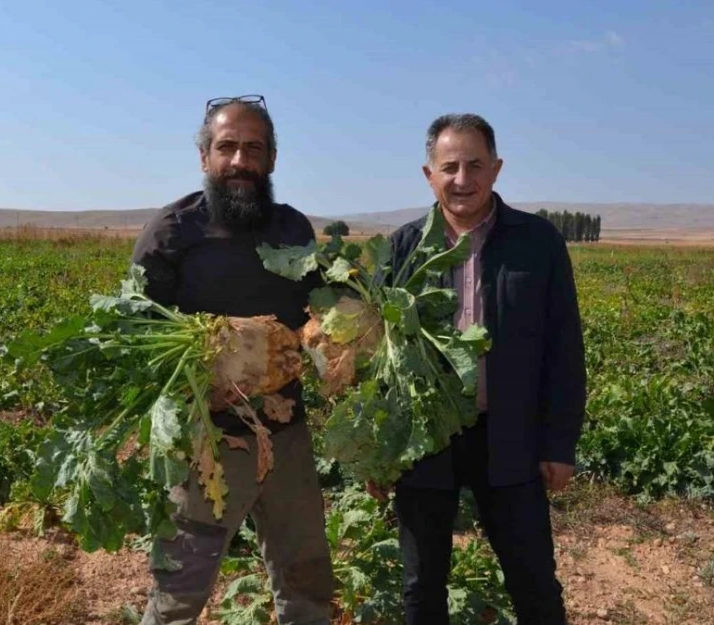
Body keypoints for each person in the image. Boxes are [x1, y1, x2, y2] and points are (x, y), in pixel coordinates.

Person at [131, 95, 334, 625]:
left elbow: (317, 317)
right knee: (180, 590)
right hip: (207, 444)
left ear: (271, 159)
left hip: (287, 436)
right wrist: (206, 370)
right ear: (205, 159)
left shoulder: (294, 231)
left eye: (254, 148)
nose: (240, 161)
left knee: (306, 578)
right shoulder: (172, 233)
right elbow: (138, 339)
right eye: (227, 148)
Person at [376, 113, 586, 625]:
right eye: (449, 167)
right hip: (425, 441)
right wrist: (381, 453)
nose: (462, 179)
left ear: (496, 169)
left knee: (533, 580)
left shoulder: (538, 243)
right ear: (429, 175)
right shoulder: (403, 248)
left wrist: (558, 444)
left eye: (475, 165)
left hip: (510, 436)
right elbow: (378, 355)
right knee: (421, 587)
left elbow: (564, 348)